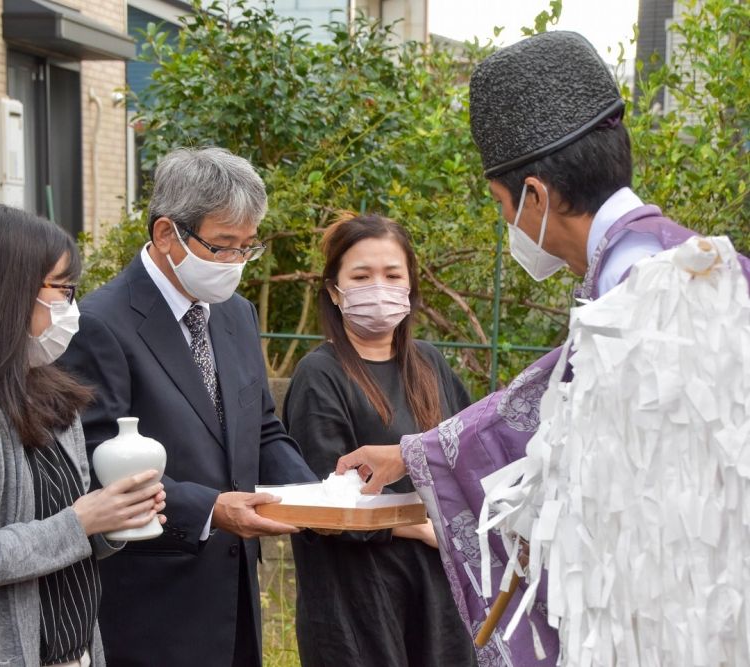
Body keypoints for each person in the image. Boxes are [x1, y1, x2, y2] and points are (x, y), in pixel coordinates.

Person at [335, 31, 750, 666]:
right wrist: (413, 456)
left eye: (503, 206)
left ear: (535, 196)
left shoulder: (645, 288)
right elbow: (545, 395)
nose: (509, 226)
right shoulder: (674, 261)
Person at [58, 147, 317, 667]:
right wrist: (210, 509)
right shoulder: (99, 322)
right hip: (150, 594)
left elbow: (260, 427)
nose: (237, 262)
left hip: (236, 590)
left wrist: (322, 496)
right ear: (165, 235)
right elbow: (91, 461)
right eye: (222, 245)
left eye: (248, 246)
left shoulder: (235, 314)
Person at [0, 205, 166, 667]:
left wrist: (116, 519)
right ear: (5, 292)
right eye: (61, 291)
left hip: (76, 651)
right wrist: (82, 521)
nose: (72, 308)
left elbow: (63, 538)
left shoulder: (53, 399)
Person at [283, 214, 478, 667]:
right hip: (359, 600)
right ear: (334, 290)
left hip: (439, 596)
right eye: (361, 276)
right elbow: (324, 502)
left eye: (392, 275)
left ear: (410, 286)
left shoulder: (429, 364)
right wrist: (422, 527)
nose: (379, 287)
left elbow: (467, 454)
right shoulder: (320, 375)